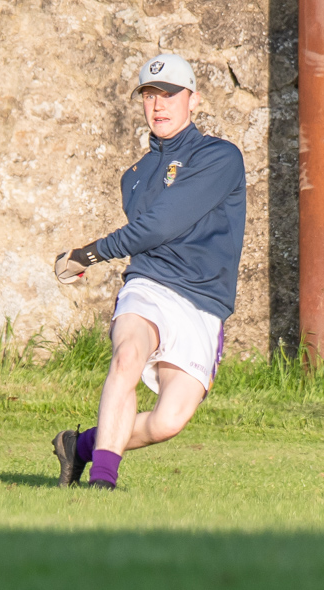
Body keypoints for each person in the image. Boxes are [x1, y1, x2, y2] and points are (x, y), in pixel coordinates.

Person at [52, 53, 246, 490]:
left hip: (203, 302)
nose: (159, 104)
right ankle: (103, 483)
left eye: (170, 94)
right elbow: (149, 239)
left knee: (168, 422)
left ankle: (80, 447)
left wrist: (91, 253)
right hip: (149, 286)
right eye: (150, 95)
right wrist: (109, 255)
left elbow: (162, 224)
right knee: (126, 357)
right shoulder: (134, 176)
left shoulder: (220, 157)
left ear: (193, 100)